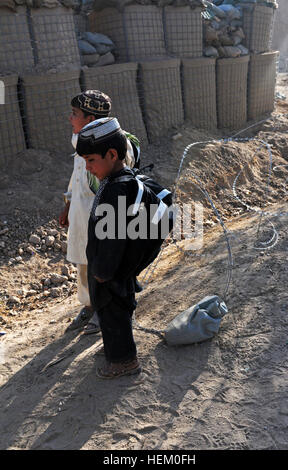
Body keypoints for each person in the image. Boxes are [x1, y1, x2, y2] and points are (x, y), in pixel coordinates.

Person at [59, 90, 140, 334]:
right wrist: (68, 205)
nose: (70, 118)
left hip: (105, 215)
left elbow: (121, 176)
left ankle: (106, 311)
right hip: (82, 214)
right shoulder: (79, 141)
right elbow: (77, 176)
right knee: (84, 264)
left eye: (75, 114)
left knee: (105, 265)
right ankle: (90, 305)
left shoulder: (116, 143)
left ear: (91, 118)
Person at [76, 117, 147, 379]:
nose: (88, 167)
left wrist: (103, 271)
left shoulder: (117, 190)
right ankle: (117, 350)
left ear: (112, 154)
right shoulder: (116, 179)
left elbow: (114, 237)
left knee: (113, 313)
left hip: (109, 272)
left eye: (91, 160)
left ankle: (124, 362)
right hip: (113, 270)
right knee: (112, 316)